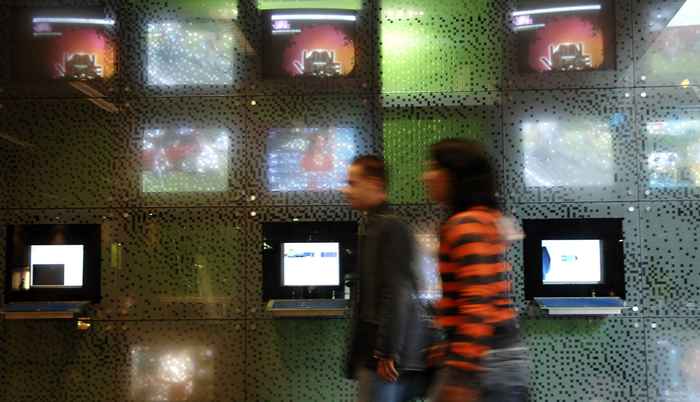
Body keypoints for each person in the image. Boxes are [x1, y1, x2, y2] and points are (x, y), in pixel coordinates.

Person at [422, 139, 529, 402]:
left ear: (454, 176)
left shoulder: (465, 224)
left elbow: (478, 300)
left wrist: (461, 372)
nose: (426, 176)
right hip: (493, 355)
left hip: (485, 361)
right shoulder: (483, 219)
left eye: (434, 168)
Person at [342, 155, 430, 402]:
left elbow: (397, 291)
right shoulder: (373, 225)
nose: (346, 190)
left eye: (352, 183)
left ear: (375, 184)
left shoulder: (390, 227)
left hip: (382, 358)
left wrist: (387, 351)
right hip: (374, 352)